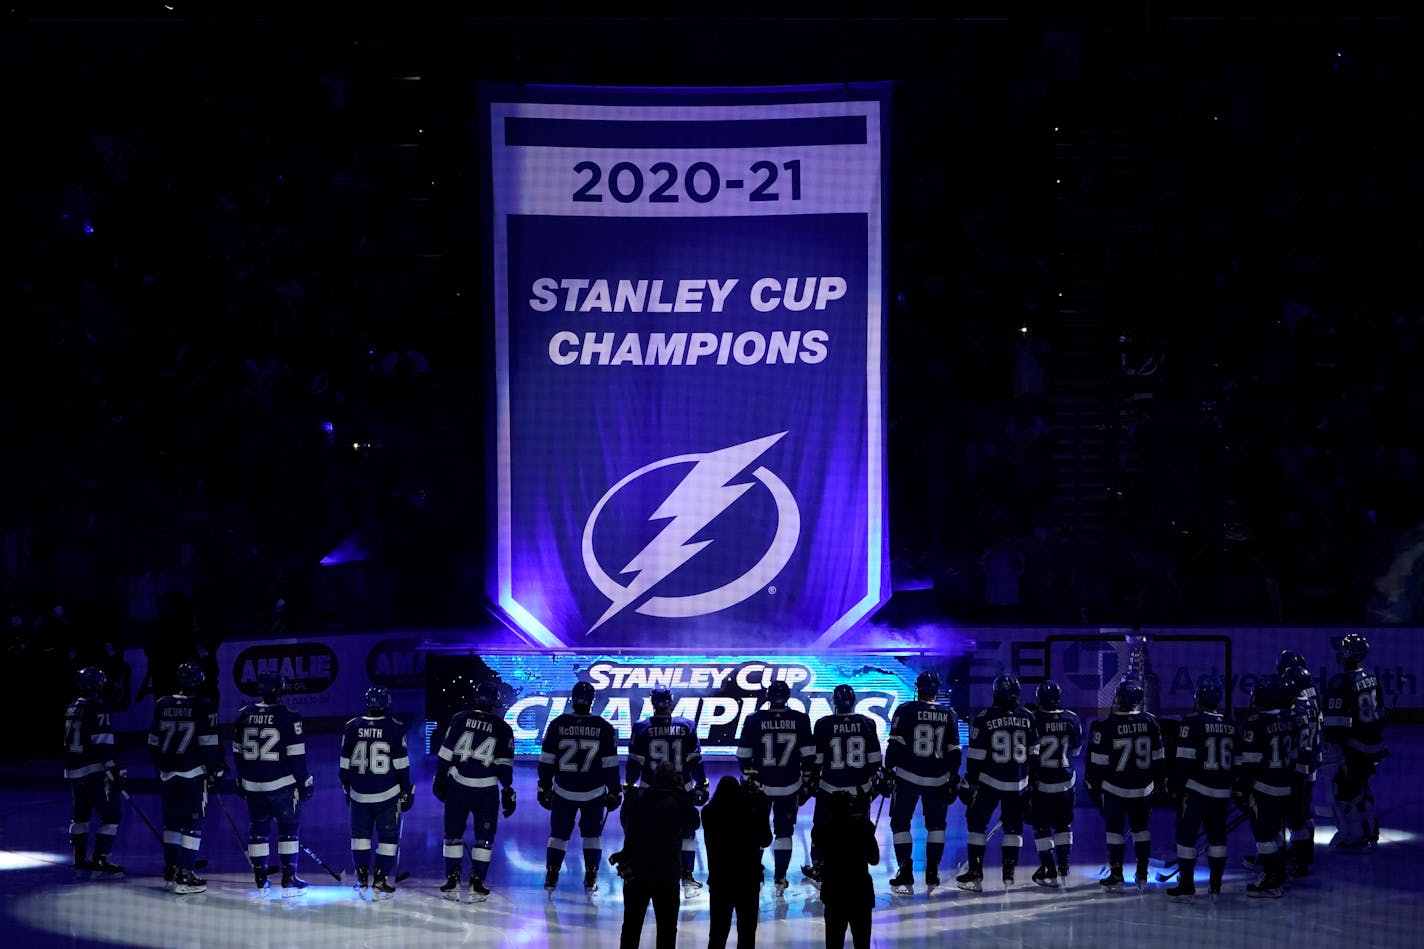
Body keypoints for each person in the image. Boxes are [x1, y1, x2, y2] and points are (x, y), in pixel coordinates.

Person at [433, 680, 516, 902]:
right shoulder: (503, 728)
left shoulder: (459, 718)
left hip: (458, 787)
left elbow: (445, 754)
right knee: (485, 838)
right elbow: (504, 767)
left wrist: (440, 779)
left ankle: (452, 879)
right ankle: (477, 881)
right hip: (486, 792)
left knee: (452, 835)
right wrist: (508, 790)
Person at [232, 670, 313, 895]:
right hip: (281, 786)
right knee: (289, 829)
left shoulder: (244, 714)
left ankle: (260, 879)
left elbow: (237, 752)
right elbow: (297, 757)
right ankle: (289, 879)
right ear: (280, 688)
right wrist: (305, 782)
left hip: (253, 786)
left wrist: (241, 779)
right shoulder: (289, 715)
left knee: (258, 830)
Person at [957, 674, 1039, 890]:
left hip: (989, 783)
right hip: (1018, 784)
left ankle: (975, 872)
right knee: (1014, 829)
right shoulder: (1028, 717)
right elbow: (1034, 755)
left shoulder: (984, 717)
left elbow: (975, 757)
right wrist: (1032, 782)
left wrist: (969, 782)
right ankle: (1008, 873)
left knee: (976, 825)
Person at [148, 661, 224, 894]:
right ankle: (186, 874)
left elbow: (152, 742)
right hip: (193, 774)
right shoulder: (203, 706)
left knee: (171, 823)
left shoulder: (162, 704)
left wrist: (162, 766)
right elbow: (209, 744)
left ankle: (171, 869)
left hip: (168, 774)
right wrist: (215, 770)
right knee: (193, 824)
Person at [539, 679, 621, 893]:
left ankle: (552, 874)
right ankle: (591, 875)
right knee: (592, 836)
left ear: (572, 699)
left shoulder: (557, 724)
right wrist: (615, 790)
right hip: (593, 793)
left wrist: (544, 787)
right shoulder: (604, 727)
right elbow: (610, 764)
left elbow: (547, 760)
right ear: (592, 700)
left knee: (558, 835)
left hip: (563, 791)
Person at [626, 687, 708, 897]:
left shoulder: (641, 727)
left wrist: (629, 786)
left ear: (652, 702)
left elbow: (635, 762)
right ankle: (686, 875)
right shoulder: (686, 725)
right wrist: (702, 784)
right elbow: (694, 760)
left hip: (651, 790)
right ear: (671, 702)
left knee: (648, 832)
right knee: (687, 833)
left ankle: (647, 871)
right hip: (681, 788)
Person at [735, 678, 814, 894]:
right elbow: (809, 757)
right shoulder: (800, 719)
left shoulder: (754, 719)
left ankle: (754, 871)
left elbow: (743, 756)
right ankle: (780, 877)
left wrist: (751, 777)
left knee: (756, 831)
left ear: (769, 696)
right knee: (784, 832)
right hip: (789, 785)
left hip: (761, 787)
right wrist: (807, 782)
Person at [884, 670, 960, 895]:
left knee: (900, 823)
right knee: (936, 826)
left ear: (918, 688)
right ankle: (933, 870)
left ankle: (905, 869)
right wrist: (953, 777)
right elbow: (954, 751)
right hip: (937, 779)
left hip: (908, 776)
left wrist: (888, 769)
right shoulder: (949, 714)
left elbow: (895, 745)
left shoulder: (906, 710)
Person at [1084, 677, 1163, 892]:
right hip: (1142, 788)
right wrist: (1158, 784)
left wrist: (1093, 787)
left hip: (1114, 789)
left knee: (1114, 831)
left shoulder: (1105, 725)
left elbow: (1097, 764)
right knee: (1142, 830)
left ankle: (1117, 874)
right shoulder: (1151, 721)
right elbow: (1158, 759)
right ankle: (1142, 873)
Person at [614, 759, 699, 949]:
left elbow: (625, 823)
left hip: (635, 873)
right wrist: (683, 796)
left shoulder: (635, 800)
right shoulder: (677, 803)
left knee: (631, 927)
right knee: (667, 930)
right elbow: (693, 823)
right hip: (666, 875)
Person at [804, 683, 882, 886]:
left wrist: (810, 781)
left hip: (830, 789)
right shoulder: (867, 723)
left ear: (834, 702)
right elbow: (875, 761)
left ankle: (820, 866)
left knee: (821, 828)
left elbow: (817, 760)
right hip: (859, 790)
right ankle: (857, 865)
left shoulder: (823, 724)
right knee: (858, 830)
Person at [339, 685, 413, 900]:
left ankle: (361, 879)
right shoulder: (395, 727)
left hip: (359, 795)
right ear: (387, 702)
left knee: (360, 837)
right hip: (387, 794)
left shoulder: (351, 726)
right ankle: (380, 881)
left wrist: (347, 787)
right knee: (388, 838)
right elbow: (401, 765)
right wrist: (406, 790)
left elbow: (344, 766)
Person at [1165, 674, 1235, 901]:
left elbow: (1184, 760)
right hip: (1222, 793)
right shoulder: (1230, 725)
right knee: (1218, 838)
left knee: (1186, 836)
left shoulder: (1192, 722)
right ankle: (1215, 885)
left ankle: (1187, 884)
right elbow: (1239, 761)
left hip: (1197, 792)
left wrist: (1174, 786)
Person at [1324, 632, 1388, 848]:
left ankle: (1358, 835)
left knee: (1346, 791)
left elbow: (1336, 722)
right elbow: (1380, 711)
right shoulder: (1371, 675)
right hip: (1373, 743)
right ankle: (1371, 829)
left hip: (1354, 746)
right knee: (1362, 786)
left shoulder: (1340, 683)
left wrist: (1333, 746)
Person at [1236, 674, 1294, 897]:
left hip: (1264, 787)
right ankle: (1279, 870)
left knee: (1263, 834)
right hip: (1286, 786)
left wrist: (1242, 787)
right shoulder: (1290, 719)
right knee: (1276, 831)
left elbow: (1249, 762)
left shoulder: (1256, 722)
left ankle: (1272, 877)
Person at [64, 666, 125, 875]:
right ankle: (101, 858)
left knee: (80, 815)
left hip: (73, 770)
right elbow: (103, 742)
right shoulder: (98, 707)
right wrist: (113, 768)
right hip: (93, 771)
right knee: (111, 815)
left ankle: (79, 857)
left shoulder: (72, 706)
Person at [701, 776, 772, 949]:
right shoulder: (750, 814)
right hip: (748, 881)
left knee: (717, 934)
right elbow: (766, 840)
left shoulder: (709, 813)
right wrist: (762, 807)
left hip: (720, 881)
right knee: (747, 934)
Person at [1027, 678, 1081, 888]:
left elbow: (1028, 753)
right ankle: (1064, 865)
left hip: (1042, 783)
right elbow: (1075, 751)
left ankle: (1048, 867)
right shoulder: (1073, 719)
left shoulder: (1032, 719)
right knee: (1063, 824)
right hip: (1066, 781)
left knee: (1041, 827)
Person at [812, 791, 879, 949]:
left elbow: (818, 836)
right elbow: (874, 859)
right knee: (862, 944)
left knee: (834, 943)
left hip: (834, 893)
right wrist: (866, 827)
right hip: (860, 893)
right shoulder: (862, 828)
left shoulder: (824, 831)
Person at [1280, 659, 1322, 875]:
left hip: (1298, 768)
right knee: (1305, 811)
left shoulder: (1296, 709)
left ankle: (1300, 858)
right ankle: (1305, 855)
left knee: (1295, 816)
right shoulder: (1314, 702)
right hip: (1311, 763)